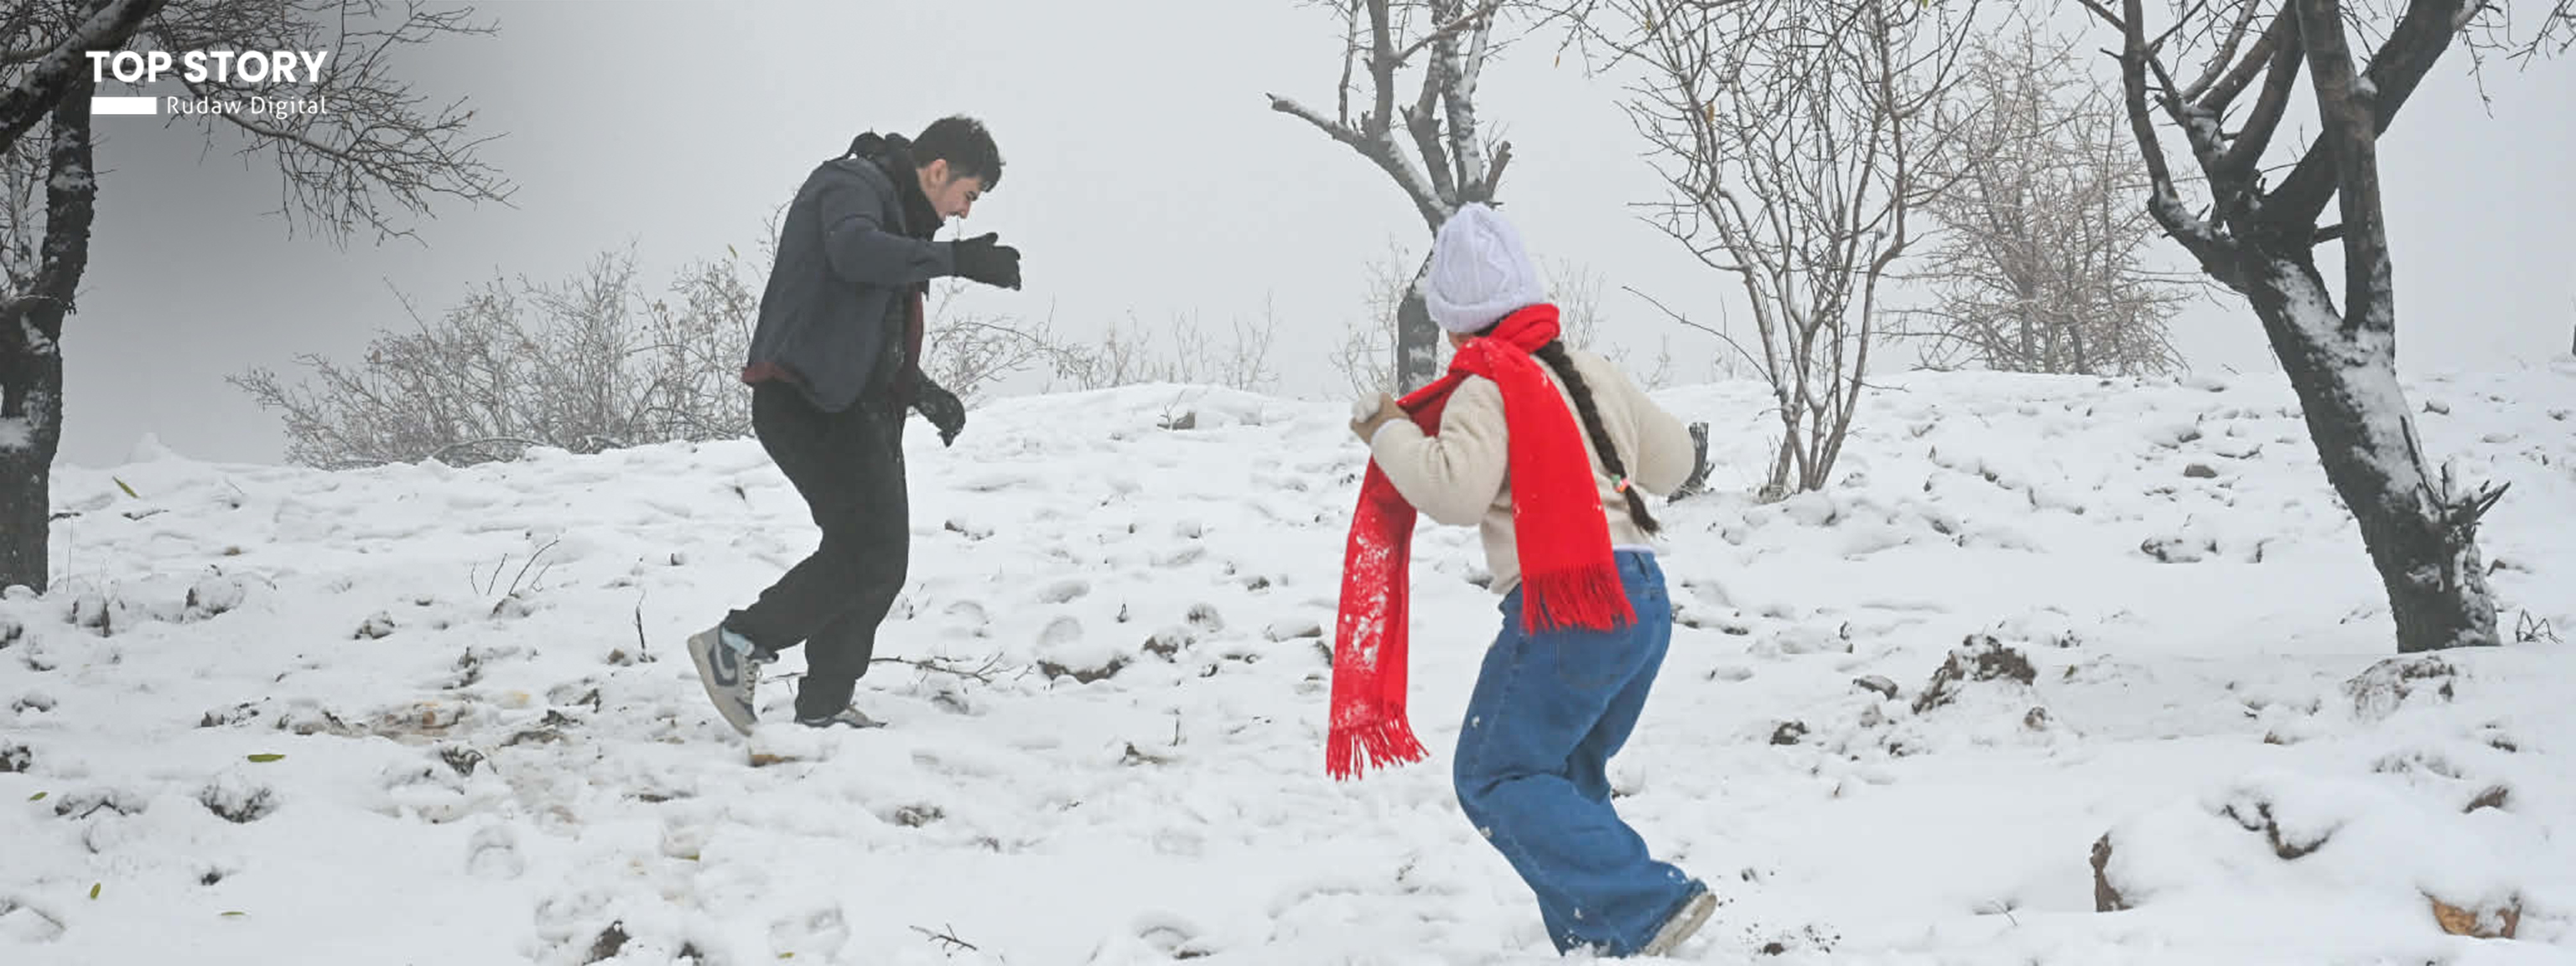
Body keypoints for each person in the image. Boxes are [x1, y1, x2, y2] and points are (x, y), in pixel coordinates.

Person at [1345, 204, 1712, 957]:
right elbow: (1675, 463)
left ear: (1455, 324)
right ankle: (1598, 939)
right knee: (1567, 773)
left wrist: (1388, 431)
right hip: (1643, 601)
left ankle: (1649, 906)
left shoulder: (1487, 384)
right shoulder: (1594, 370)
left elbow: (1452, 492)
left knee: (1497, 772)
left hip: (1567, 607)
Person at [686, 116, 1022, 734]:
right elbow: (852, 253)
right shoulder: (850, 185)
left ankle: (825, 701)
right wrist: (956, 261)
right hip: (804, 400)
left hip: (856, 408)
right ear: (938, 169)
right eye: (968, 195)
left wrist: (924, 392)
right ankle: (736, 645)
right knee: (864, 551)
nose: (964, 213)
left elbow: (870, 335)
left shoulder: (899, 222)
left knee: (880, 559)